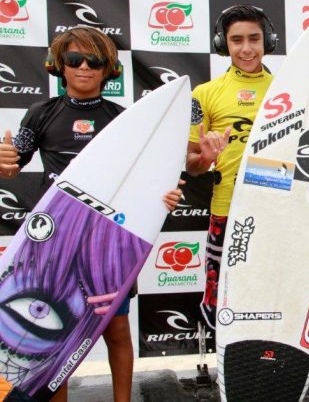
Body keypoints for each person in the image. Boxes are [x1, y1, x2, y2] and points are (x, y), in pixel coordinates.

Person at [0, 25, 182, 402]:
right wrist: (4, 163)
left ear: (108, 69)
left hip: (108, 241)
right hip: (52, 239)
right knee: (56, 333)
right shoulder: (40, 113)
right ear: (58, 65)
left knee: (116, 330)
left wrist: (163, 197)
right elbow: (12, 164)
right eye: (74, 59)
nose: (84, 67)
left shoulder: (125, 118)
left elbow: (147, 179)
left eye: (95, 60)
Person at [185, 5, 309, 329]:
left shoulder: (289, 90)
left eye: (254, 38)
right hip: (226, 211)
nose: (246, 48)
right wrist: (205, 157)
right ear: (224, 44)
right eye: (236, 40)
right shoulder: (204, 94)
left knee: (275, 297)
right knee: (222, 300)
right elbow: (192, 167)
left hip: (278, 213)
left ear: (269, 41)